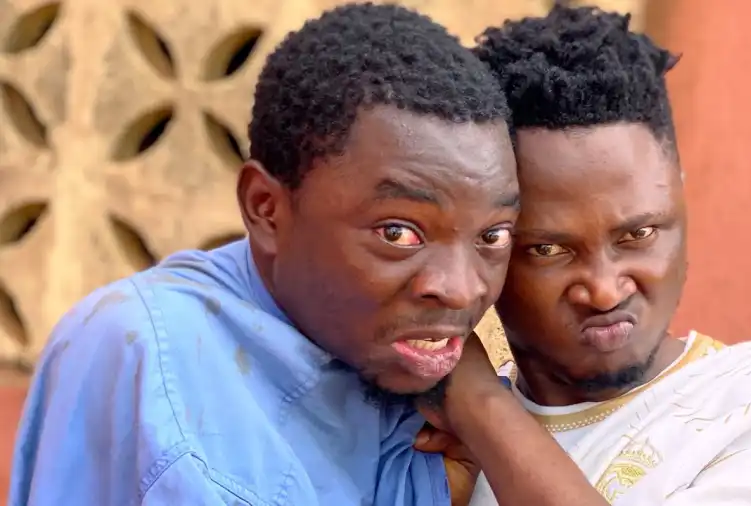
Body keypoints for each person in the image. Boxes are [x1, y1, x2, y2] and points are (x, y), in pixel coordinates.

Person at [8, 4, 519, 505]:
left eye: (493, 236)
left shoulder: (403, 372)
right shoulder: (148, 362)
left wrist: (484, 420)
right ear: (266, 208)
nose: (462, 289)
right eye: (398, 233)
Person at [414, 4, 751, 506]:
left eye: (639, 233)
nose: (604, 291)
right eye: (549, 249)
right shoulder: (428, 439)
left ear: (680, 197)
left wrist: (479, 403)